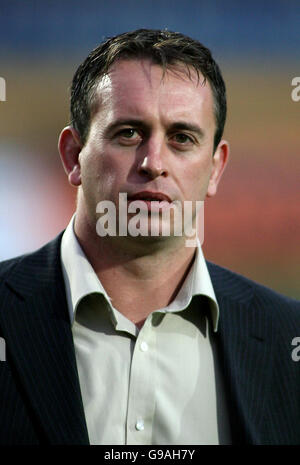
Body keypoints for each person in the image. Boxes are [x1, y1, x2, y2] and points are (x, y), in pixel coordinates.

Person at [0, 29, 299, 446]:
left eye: (182, 138)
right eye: (128, 133)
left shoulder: (288, 337)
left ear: (215, 168)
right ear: (73, 156)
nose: (154, 162)